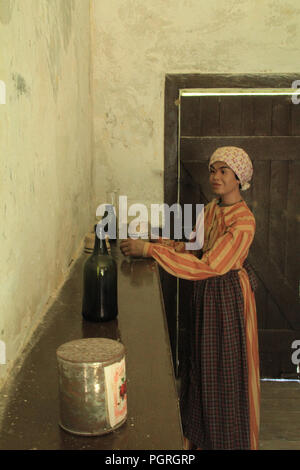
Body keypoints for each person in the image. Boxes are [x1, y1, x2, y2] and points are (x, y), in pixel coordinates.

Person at [120, 146, 260, 450]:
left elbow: (212, 265)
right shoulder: (211, 209)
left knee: (223, 370)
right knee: (199, 364)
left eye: (224, 171)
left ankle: (223, 441)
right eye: (213, 170)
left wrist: (150, 252)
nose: (216, 176)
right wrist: (159, 244)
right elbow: (194, 249)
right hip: (206, 294)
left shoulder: (243, 221)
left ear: (239, 178)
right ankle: (194, 436)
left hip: (226, 299)